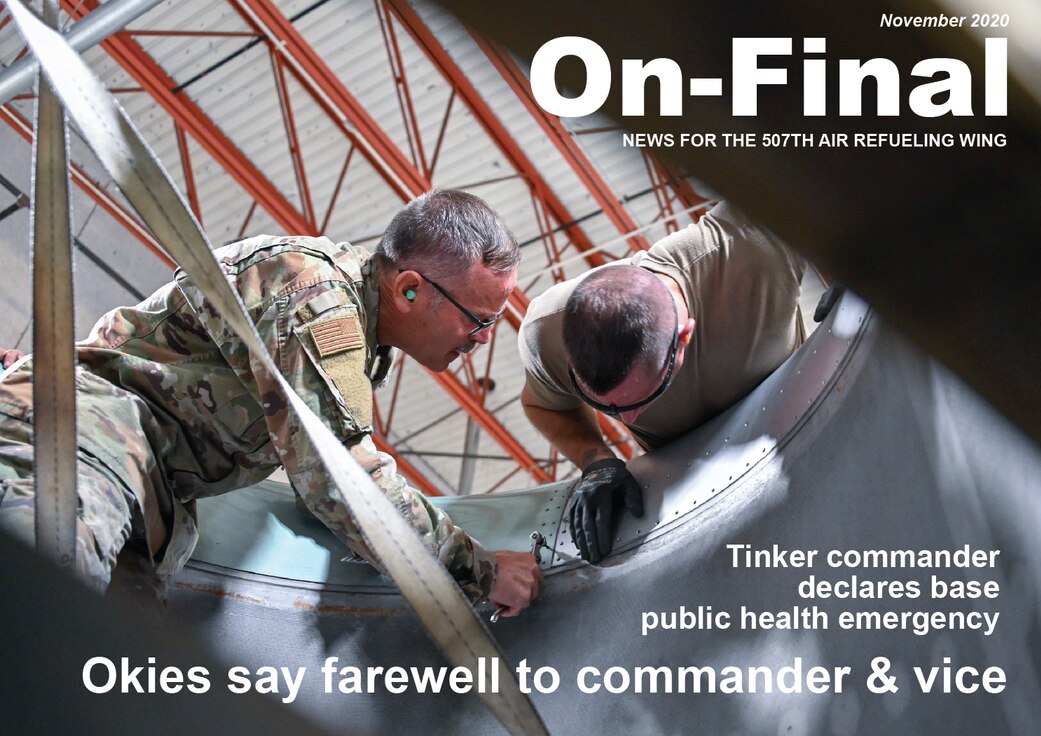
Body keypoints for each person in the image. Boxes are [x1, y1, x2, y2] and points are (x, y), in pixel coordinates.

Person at [0, 189, 541, 616]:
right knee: (41, 611)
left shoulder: (366, 342)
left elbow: (321, 475)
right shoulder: (316, 298)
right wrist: (482, 569)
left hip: (145, 490)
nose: (483, 339)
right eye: (480, 319)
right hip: (86, 437)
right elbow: (339, 480)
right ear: (408, 289)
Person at [519, 201, 807, 562]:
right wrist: (597, 462)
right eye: (610, 406)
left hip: (802, 433)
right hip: (701, 492)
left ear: (683, 336)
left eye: (641, 400)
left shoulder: (752, 245)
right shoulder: (545, 334)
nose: (628, 421)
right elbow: (541, 404)